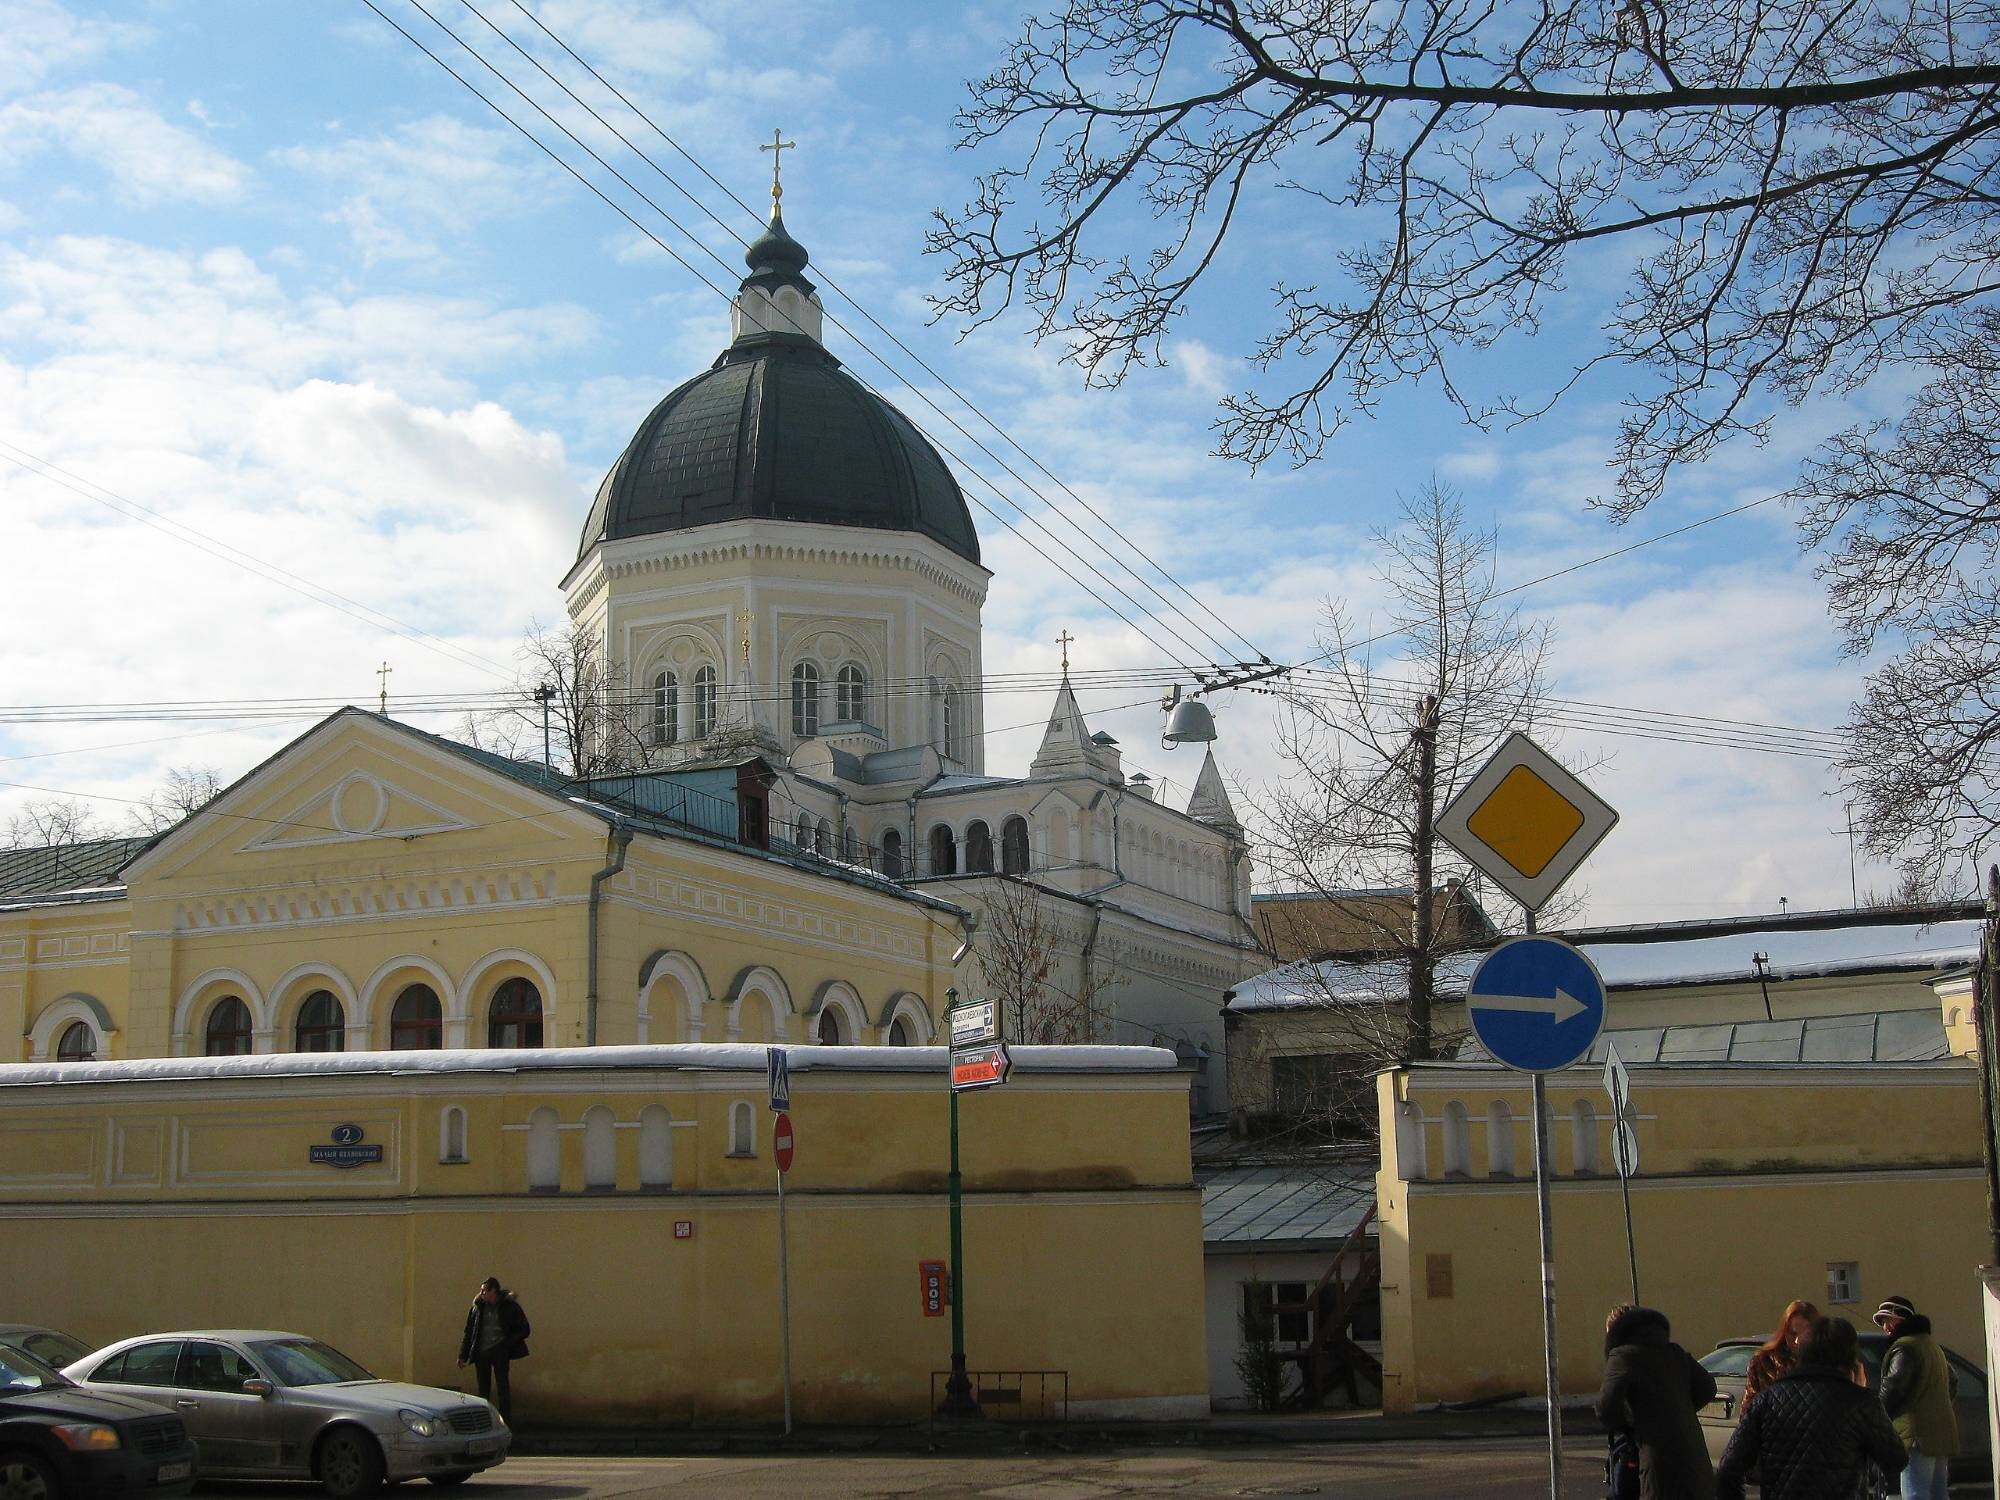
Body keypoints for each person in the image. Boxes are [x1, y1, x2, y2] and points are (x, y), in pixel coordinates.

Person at [1716, 1316, 1905, 1500]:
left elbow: (1729, 1468)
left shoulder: (1768, 1399)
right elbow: (1896, 1458)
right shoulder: (1861, 1401)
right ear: (1850, 1357)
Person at [1596, 1305, 1718, 1500]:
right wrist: (1678, 1411)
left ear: (1614, 1332)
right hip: (1696, 1463)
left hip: (1657, 1462)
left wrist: (1632, 1426)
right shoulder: (1674, 1352)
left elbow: (1606, 1409)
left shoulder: (1622, 1356)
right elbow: (1708, 1388)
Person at [1875, 1296, 1958, 1500]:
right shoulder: (1931, 1345)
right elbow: (1953, 1380)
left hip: (1915, 1435)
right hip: (1939, 1431)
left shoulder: (1904, 1347)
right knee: (1938, 1493)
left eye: (1889, 1320)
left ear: (1903, 1319)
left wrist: (1875, 1419)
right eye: (1883, 1322)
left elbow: (1893, 1390)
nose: (1886, 1327)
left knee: (1915, 1493)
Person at [457, 1276, 531, 1423]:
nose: (481, 1294)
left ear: (494, 1291)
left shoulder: (510, 1307)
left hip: (500, 1352)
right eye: (481, 1291)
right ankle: (484, 1420)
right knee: (483, 1389)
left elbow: (524, 1329)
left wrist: (506, 1343)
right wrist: (462, 1355)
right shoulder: (477, 1308)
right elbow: (469, 1332)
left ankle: (505, 1420)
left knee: (502, 1386)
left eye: (484, 1291)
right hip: (481, 1352)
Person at [1744, 1299, 1819, 1401]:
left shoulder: (1825, 1363)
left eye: (1805, 1335)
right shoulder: (1764, 1363)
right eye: (1792, 1333)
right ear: (1784, 1332)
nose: (1797, 1340)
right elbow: (1749, 1408)